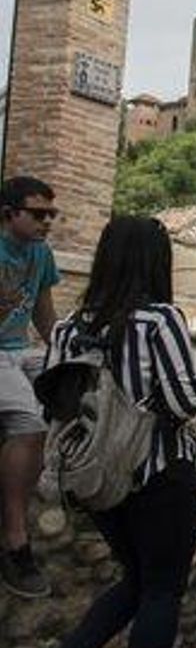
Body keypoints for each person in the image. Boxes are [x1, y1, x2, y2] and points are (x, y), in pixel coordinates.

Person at [25, 217, 196, 648]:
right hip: (158, 470)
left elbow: (54, 398)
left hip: (94, 477)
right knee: (164, 587)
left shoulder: (67, 330)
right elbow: (186, 400)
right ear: (156, 261)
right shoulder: (160, 320)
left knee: (139, 578)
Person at [0, 176, 59, 599]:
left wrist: (68, 357)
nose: (47, 222)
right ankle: (16, 540)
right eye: (38, 214)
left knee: (89, 389)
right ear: (9, 214)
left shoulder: (41, 254)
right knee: (29, 422)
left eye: (51, 215)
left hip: (22, 350)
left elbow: (44, 317)